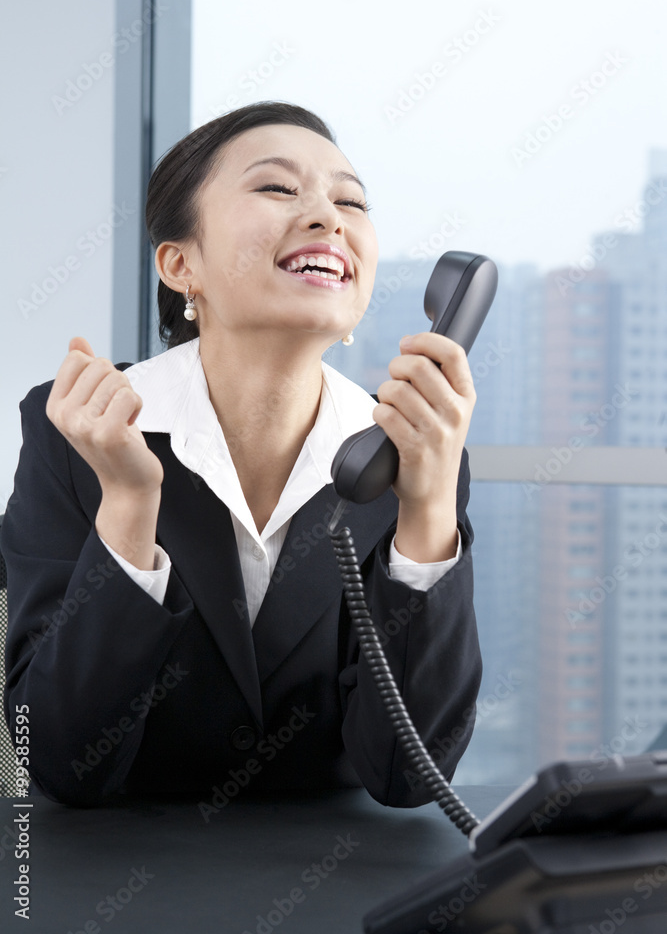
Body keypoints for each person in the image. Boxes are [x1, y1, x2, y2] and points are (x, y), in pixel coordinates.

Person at [2, 101, 482, 808]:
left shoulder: (405, 457)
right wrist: (130, 509)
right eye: (278, 188)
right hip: (116, 887)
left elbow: (408, 777)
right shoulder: (78, 432)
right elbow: (56, 763)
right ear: (179, 264)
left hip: (336, 883)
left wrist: (430, 507)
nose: (329, 216)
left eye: (349, 200)